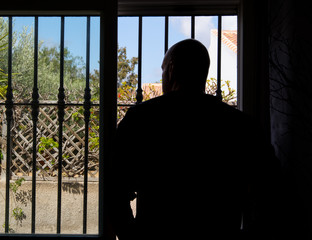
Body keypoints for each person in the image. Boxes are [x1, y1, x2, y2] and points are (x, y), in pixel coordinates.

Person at [110, 39, 279, 240]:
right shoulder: (240, 124)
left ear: (171, 69)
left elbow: (115, 187)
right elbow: (270, 189)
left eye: (163, 70)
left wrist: (131, 236)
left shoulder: (141, 119)